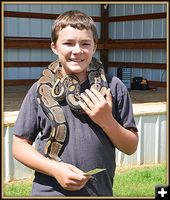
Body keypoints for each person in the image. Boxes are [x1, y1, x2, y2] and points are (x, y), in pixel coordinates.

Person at [12, 10, 138, 196]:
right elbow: (19, 145)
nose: (77, 51)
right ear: (54, 47)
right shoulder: (40, 89)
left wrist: (106, 120)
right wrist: (55, 169)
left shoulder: (113, 87)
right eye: (68, 43)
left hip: (98, 191)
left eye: (85, 44)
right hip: (49, 191)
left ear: (95, 47)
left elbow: (131, 147)